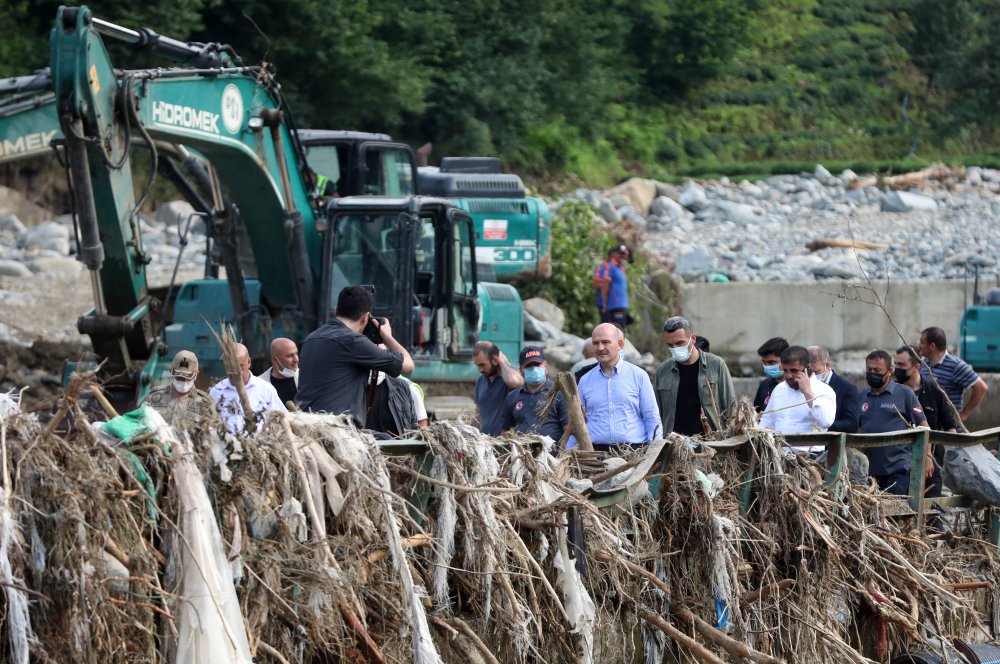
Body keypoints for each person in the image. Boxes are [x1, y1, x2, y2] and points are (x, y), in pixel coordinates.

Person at [296, 285, 414, 427]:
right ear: (365, 318)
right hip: (336, 430)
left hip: (306, 425)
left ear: (336, 311)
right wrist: (387, 336)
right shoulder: (352, 341)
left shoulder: (312, 338)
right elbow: (408, 366)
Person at [577, 323, 661, 449]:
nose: (600, 348)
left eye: (606, 342)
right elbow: (578, 421)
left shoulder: (639, 375)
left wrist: (655, 452)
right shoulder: (585, 380)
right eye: (596, 343)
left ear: (620, 344)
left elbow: (652, 417)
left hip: (634, 452)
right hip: (596, 455)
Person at [858, 349, 928, 495]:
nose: (872, 373)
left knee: (894, 513)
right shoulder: (862, 396)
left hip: (898, 469)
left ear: (889, 371)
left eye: (877, 370)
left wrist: (927, 457)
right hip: (869, 472)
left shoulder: (904, 394)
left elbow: (924, 426)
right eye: (869, 369)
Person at [654, 316, 735, 436]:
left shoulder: (716, 364)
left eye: (679, 343)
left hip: (711, 442)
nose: (675, 348)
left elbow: (731, 408)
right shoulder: (663, 371)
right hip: (675, 443)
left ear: (693, 338)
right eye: (670, 345)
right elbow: (656, 413)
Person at [896, 345, 958, 497]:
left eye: (902, 365)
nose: (897, 369)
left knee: (932, 513)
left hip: (930, 464)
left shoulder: (934, 390)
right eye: (895, 364)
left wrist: (952, 461)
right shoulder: (893, 391)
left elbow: (950, 427)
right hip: (898, 464)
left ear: (916, 366)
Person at [758, 345, 836, 453]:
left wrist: (807, 392)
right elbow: (767, 422)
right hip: (779, 456)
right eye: (785, 370)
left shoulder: (824, 390)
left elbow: (826, 421)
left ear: (808, 367)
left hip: (811, 459)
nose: (789, 376)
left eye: (794, 370)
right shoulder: (779, 389)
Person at [919, 326, 988, 428]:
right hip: (929, 428)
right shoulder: (924, 364)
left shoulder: (956, 365)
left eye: (922, 342)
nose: (919, 345)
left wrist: (964, 414)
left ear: (932, 346)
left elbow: (981, 388)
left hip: (949, 432)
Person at [210, 343, 287, 434]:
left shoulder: (266, 389)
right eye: (229, 366)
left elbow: (283, 420)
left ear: (249, 362)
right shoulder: (216, 391)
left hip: (260, 445)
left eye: (240, 366)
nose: (234, 372)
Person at [501, 346, 568, 442]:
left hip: (553, 455)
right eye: (529, 366)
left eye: (537, 364)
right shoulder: (512, 397)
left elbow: (569, 429)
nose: (534, 369)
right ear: (520, 370)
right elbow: (505, 432)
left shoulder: (559, 393)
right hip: (523, 454)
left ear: (545, 366)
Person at [142, 350, 217, 428]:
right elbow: (139, 421)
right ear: (171, 372)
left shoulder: (205, 403)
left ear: (195, 375)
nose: (183, 381)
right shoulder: (154, 397)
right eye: (179, 377)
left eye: (188, 377)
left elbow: (214, 431)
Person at [472, 341, 524, 436]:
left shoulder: (511, 374)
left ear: (495, 360)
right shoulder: (481, 380)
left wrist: (502, 362)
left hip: (505, 444)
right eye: (477, 365)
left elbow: (514, 381)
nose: (480, 369)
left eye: (482, 365)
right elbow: (478, 413)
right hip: (485, 443)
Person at [807, 345, 860, 433]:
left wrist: (822, 424)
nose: (812, 376)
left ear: (827, 365)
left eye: (816, 372)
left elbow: (851, 424)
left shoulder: (847, 389)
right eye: (809, 372)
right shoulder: (802, 386)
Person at [594, 244, 630, 331]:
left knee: (619, 331)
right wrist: (604, 304)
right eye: (620, 253)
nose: (623, 256)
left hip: (620, 306)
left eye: (625, 253)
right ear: (613, 254)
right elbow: (604, 285)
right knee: (610, 332)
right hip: (612, 307)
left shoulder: (620, 267)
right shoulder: (609, 267)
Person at [258, 337, 299, 406]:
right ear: (274, 359)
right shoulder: (259, 385)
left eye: (296, 354)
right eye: (289, 356)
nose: (296, 359)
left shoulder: (306, 377)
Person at [753, 337, 789, 412]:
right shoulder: (765, 385)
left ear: (785, 359)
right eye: (764, 362)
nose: (767, 367)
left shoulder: (797, 386)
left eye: (772, 362)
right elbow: (756, 415)